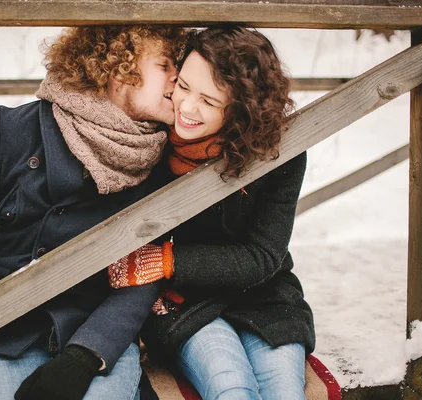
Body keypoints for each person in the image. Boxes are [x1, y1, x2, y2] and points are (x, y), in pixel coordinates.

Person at [0, 25, 186, 400]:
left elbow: (144, 271)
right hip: (5, 326)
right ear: (117, 67)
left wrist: (87, 355)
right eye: (165, 64)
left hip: (96, 334)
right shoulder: (13, 130)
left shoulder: (159, 159)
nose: (178, 78)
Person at [108, 26, 314, 400]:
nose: (187, 108)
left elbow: (263, 256)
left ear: (242, 106)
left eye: (209, 100)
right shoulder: (148, 139)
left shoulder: (280, 153)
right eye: (184, 87)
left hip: (263, 296)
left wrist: (167, 260)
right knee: (231, 387)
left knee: (285, 392)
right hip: (183, 303)